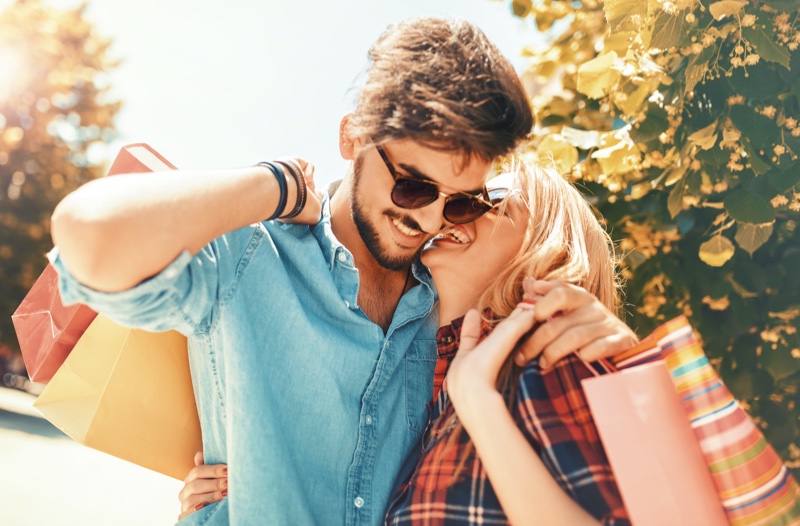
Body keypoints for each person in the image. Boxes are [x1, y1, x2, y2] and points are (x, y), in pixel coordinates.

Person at [50, 17, 633, 525]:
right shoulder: (253, 252)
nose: (430, 219)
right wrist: (274, 184)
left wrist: (612, 342)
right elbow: (89, 235)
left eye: (461, 202)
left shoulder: (457, 314)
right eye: (412, 184)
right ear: (351, 136)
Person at [178, 165, 634, 524]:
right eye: (461, 202)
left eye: (490, 203)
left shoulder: (544, 361)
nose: (453, 213)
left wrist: (481, 404)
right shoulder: (435, 379)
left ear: (547, 249)